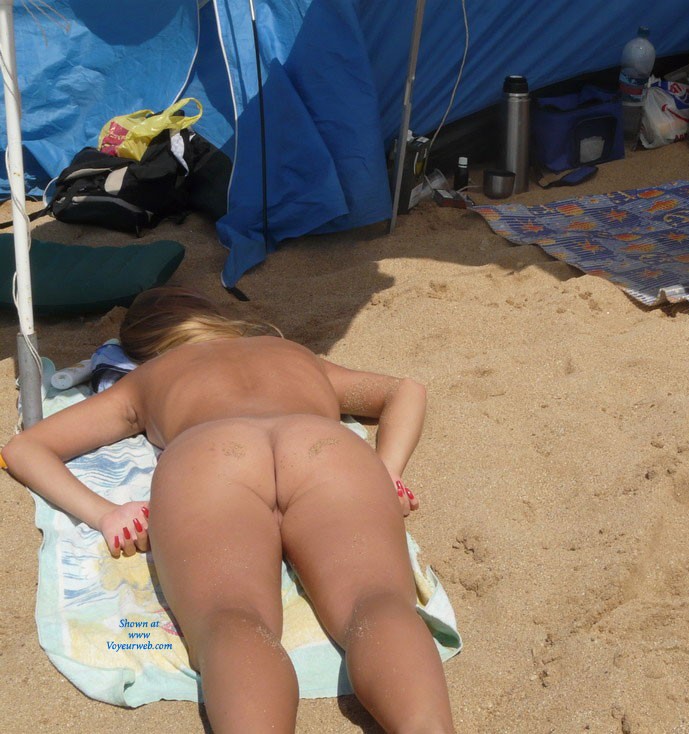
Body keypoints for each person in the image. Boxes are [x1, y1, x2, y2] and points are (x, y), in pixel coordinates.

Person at [1, 286, 455, 733]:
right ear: (217, 318)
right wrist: (385, 472)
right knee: (375, 600)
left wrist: (105, 514)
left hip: (212, 455)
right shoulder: (295, 354)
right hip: (321, 446)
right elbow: (406, 390)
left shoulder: (150, 376)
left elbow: (25, 449)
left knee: (231, 617)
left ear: (138, 349)